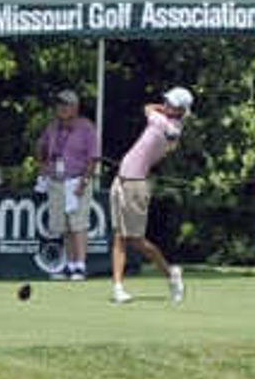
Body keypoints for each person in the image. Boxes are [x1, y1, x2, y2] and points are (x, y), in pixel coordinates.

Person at [110, 87, 189, 303]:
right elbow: (151, 109)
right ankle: (118, 288)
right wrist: (166, 108)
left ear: (181, 110)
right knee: (119, 236)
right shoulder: (168, 121)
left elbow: (147, 108)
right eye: (167, 101)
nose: (166, 104)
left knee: (135, 240)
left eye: (172, 104)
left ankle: (171, 274)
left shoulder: (164, 124)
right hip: (121, 180)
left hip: (135, 184)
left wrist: (161, 109)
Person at [28, 90, 100, 278]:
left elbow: (93, 158)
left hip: (78, 180)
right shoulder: (52, 128)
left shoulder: (87, 128)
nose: (61, 108)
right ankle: (70, 264)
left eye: (66, 104)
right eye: (59, 104)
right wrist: (43, 165)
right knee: (65, 226)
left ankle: (81, 266)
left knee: (79, 224)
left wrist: (84, 182)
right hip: (57, 181)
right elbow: (41, 147)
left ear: (75, 108)